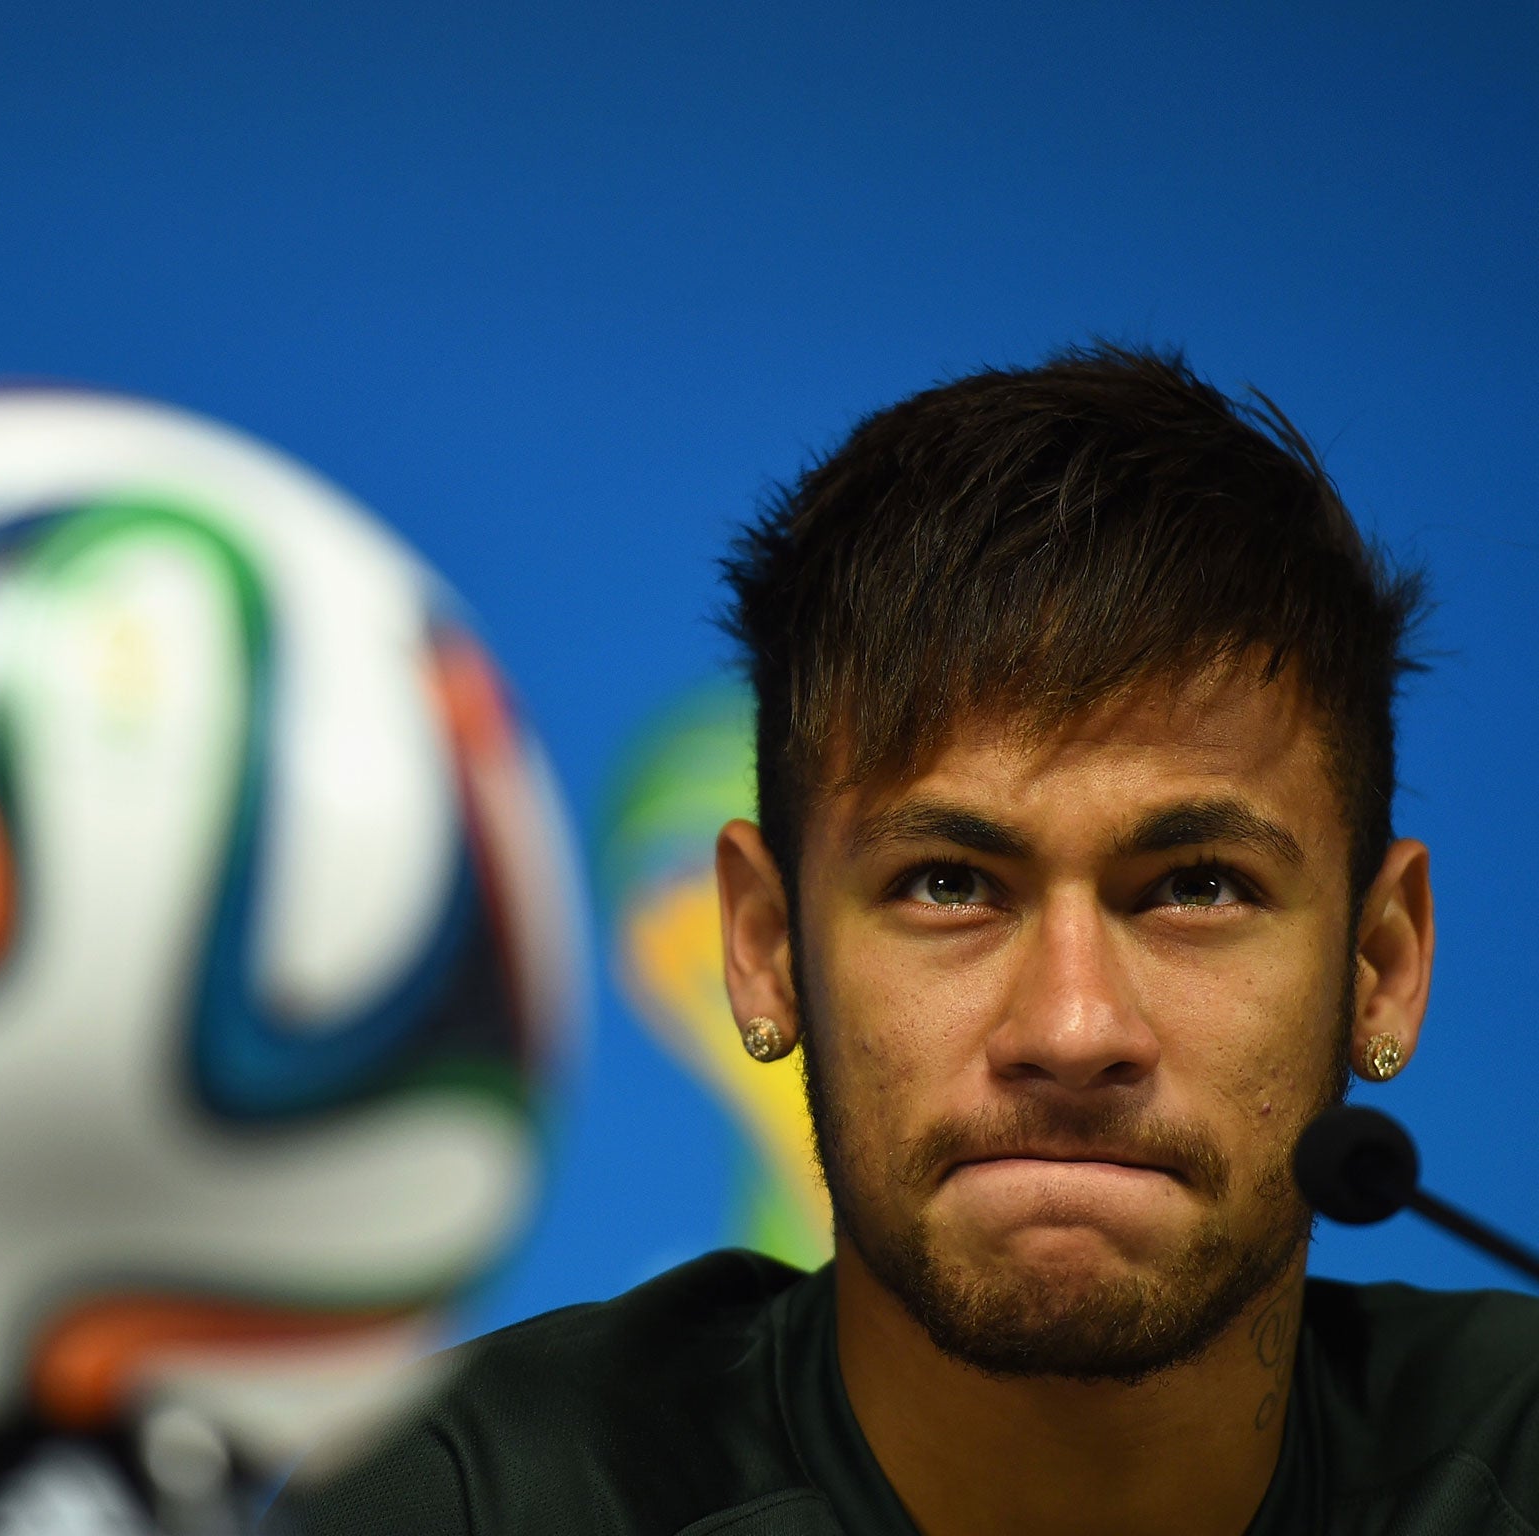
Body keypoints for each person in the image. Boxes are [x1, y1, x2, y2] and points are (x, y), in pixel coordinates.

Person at [263, 346, 1539, 1535]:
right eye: (947, 884)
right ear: (765, 947)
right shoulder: (469, 1502)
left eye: (1194, 887)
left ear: (1379, 968)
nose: (1072, 1030)